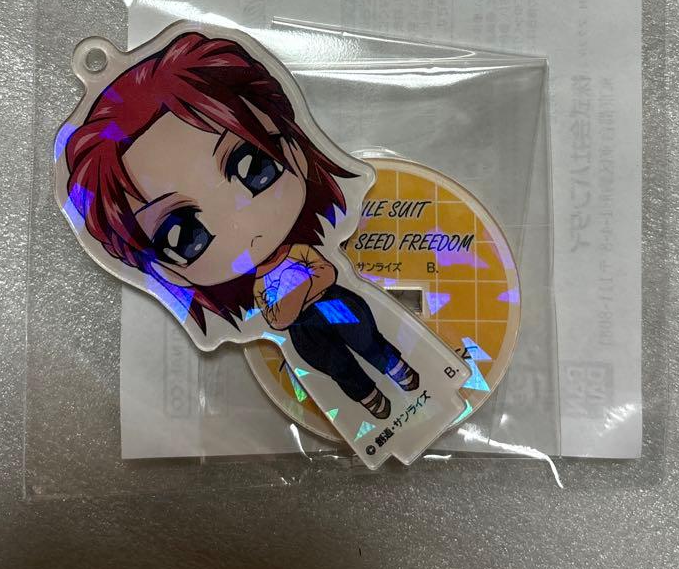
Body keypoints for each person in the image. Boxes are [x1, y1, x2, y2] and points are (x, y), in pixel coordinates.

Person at [64, 30, 418, 419]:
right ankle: (369, 401)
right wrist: (300, 293)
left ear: (294, 151)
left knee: (363, 333)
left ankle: (396, 368)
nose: (240, 223)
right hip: (304, 331)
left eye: (253, 168)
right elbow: (278, 318)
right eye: (185, 236)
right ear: (168, 272)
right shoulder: (267, 281)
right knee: (333, 363)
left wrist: (295, 296)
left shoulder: (298, 255)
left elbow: (323, 276)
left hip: (334, 304)